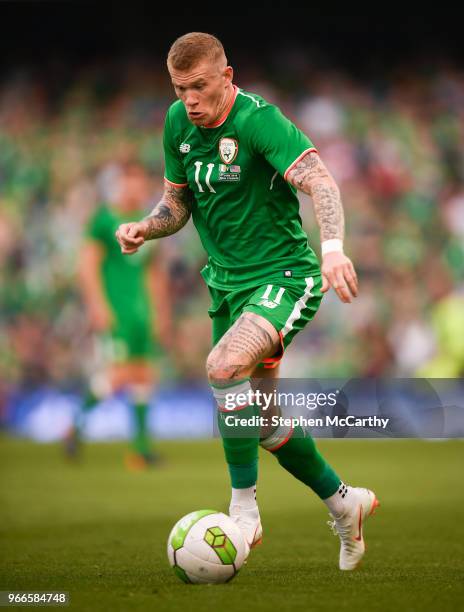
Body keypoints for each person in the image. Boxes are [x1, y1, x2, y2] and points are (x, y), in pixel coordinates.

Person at [115, 33, 378, 569]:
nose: (189, 99)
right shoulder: (176, 124)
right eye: (180, 88)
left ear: (227, 77)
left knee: (222, 366)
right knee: (260, 419)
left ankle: (244, 513)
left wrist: (332, 250)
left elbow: (320, 181)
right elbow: (177, 203)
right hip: (227, 286)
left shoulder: (258, 120)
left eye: (200, 86)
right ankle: (343, 502)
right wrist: (147, 225)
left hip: (285, 276)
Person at [72, 161, 172, 469]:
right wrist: (97, 306)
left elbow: (155, 271)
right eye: (129, 182)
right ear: (119, 184)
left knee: (145, 375)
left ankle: (140, 449)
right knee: (120, 375)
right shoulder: (104, 220)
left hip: (141, 313)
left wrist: (160, 311)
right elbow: (87, 266)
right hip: (117, 312)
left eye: (140, 182)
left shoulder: (149, 222)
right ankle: (74, 427)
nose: (135, 188)